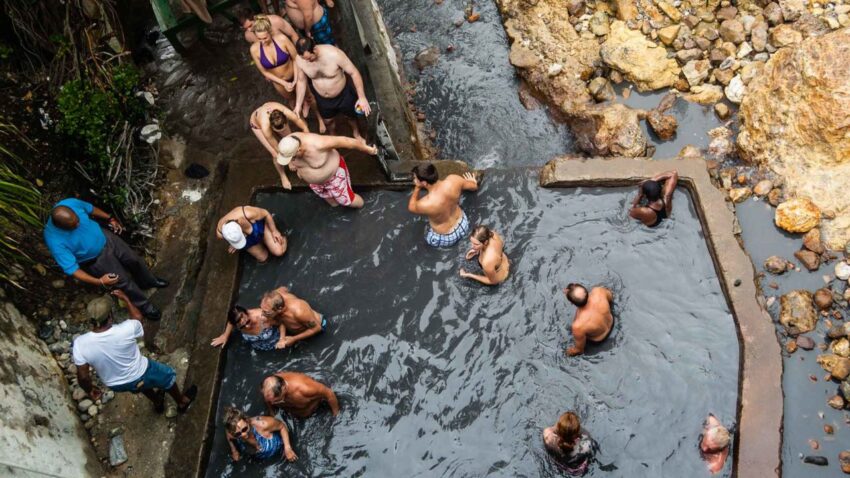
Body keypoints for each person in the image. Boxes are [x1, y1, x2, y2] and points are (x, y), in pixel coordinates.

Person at [44, 198, 168, 320]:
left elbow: (91, 209)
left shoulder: (70, 203)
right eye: (74, 226)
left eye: (77, 220)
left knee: (134, 259)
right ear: (61, 227)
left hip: (106, 238)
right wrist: (100, 281)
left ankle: (147, 281)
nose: (78, 224)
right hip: (96, 259)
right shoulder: (54, 240)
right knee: (123, 282)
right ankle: (145, 307)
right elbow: (72, 269)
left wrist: (109, 218)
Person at [73, 295, 197, 414]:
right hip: (142, 372)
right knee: (168, 376)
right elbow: (138, 317)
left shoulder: (80, 343)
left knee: (139, 385)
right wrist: (127, 300)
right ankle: (181, 402)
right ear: (110, 316)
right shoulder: (126, 329)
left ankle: (157, 402)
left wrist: (89, 390)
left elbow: (83, 377)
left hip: (116, 384)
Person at [294, 38, 371, 141]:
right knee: (328, 121)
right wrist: (298, 104)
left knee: (351, 116)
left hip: (343, 94)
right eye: (305, 59)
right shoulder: (300, 60)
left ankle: (356, 133)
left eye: (310, 58)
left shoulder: (334, 54)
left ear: (315, 49)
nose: (308, 61)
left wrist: (362, 97)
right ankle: (333, 137)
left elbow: (354, 72)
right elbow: (301, 81)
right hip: (322, 98)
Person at [275, 133, 375, 208]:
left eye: (292, 158)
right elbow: (279, 158)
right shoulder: (287, 144)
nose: (291, 160)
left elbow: (347, 141)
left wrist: (368, 149)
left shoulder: (318, 144)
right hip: (315, 183)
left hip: (334, 176)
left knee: (347, 201)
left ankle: (364, 209)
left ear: (299, 150)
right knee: (333, 203)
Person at [407, 164, 478, 248]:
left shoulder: (425, 203)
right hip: (463, 224)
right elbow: (474, 187)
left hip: (446, 238)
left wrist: (417, 188)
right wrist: (473, 181)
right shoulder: (454, 180)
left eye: (415, 178)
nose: (414, 180)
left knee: (427, 241)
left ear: (424, 183)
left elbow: (411, 207)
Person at [250, 102, 311, 189]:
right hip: (257, 125)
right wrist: (289, 162)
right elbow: (277, 148)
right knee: (275, 154)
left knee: (291, 143)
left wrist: (309, 141)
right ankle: (283, 176)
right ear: (272, 127)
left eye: (283, 128)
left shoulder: (286, 113)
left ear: (286, 120)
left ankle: (299, 165)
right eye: (277, 130)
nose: (280, 132)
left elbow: (304, 127)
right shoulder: (265, 127)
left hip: (273, 117)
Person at [223, 406, 298, 463]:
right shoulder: (234, 432)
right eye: (238, 434)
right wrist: (234, 450)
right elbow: (228, 433)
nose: (243, 435)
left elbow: (282, 426)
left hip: (278, 450)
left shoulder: (263, 424)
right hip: (259, 458)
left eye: (245, 429)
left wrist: (287, 448)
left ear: (247, 421)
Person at [260, 286, 326, 348]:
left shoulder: (299, 311)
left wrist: (294, 339)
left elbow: (317, 328)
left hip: (318, 328)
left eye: (266, 312)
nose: (262, 314)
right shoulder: (275, 295)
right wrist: (282, 338)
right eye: (262, 309)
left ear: (279, 309)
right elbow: (284, 288)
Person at [216, 205, 287, 263]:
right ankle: (264, 243)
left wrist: (274, 231)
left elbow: (266, 213)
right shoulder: (220, 234)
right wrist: (234, 241)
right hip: (249, 239)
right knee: (263, 259)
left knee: (279, 251)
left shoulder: (246, 213)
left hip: (260, 228)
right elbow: (229, 235)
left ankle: (281, 237)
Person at [564, 283, 614, 356]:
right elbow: (611, 297)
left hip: (599, 339)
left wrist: (567, 353)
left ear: (572, 303)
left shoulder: (578, 326)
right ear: (586, 291)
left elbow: (579, 350)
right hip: (611, 322)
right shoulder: (599, 291)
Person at [261, 371, 340, 417]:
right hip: (295, 412)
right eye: (272, 401)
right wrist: (271, 411)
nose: (272, 403)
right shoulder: (267, 389)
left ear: (284, 388)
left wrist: (336, 414)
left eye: (277, 401)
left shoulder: (306, 389)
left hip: (313, 409)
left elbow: (329, 394)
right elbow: (269, 400)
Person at [210, 305, 286, 351]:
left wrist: (282, 339)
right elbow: (230, 323)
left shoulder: (262, 317)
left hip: (277, 344)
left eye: (248, 322)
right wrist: (225, 335)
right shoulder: (236, 322)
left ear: (247, 312)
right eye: (243, 326)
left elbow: (281, 323)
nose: (247, 326)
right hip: (260, 348)